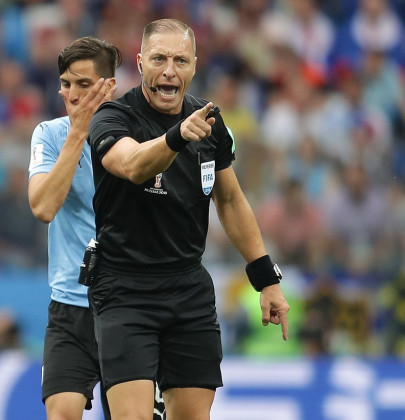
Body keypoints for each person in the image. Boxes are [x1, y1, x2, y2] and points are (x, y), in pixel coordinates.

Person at [86, 18, 290, 419]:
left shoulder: (209, 121)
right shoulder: (113, 117)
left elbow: (230, 201)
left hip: (188, 288)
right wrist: (177, 136)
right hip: (125, 289)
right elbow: (131, 165)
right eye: (159, 58)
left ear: (195, 65)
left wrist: (266, 280)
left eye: (180, 60)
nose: (169, 70)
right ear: (141, 63)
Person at [27, 37, 119, 420]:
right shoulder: (48, 134)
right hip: (69, 306)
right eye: (66, 83)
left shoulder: (136, 138)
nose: (72, 93)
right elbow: (44, 206)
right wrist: (78, 132)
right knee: (61, 412)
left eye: (84, 84)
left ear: (109, 86)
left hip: (129, 307)